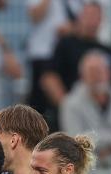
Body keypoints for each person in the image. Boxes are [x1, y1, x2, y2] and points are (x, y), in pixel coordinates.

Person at [40, 1, 111, 116]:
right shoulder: (66, 44)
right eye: (88, 15)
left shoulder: (108, 51)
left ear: (101, 20)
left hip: (103, 115)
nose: (91, 20)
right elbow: (48, 78)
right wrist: (68, 108)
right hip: (73, 109)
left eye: (95, 16)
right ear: (80, 17)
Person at [60, 50, 111, 157]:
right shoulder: (70, 103)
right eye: (91, 71)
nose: (96, 76)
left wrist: (110, 149)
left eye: (99, 71)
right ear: (82, 76)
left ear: (109, 73)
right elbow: (75, 140)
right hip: (88, 169)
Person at [26, 0, 72, 129]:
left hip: (65, 54)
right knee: (38, 106)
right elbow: (34, 15)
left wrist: (70, 29)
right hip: (42, 53)